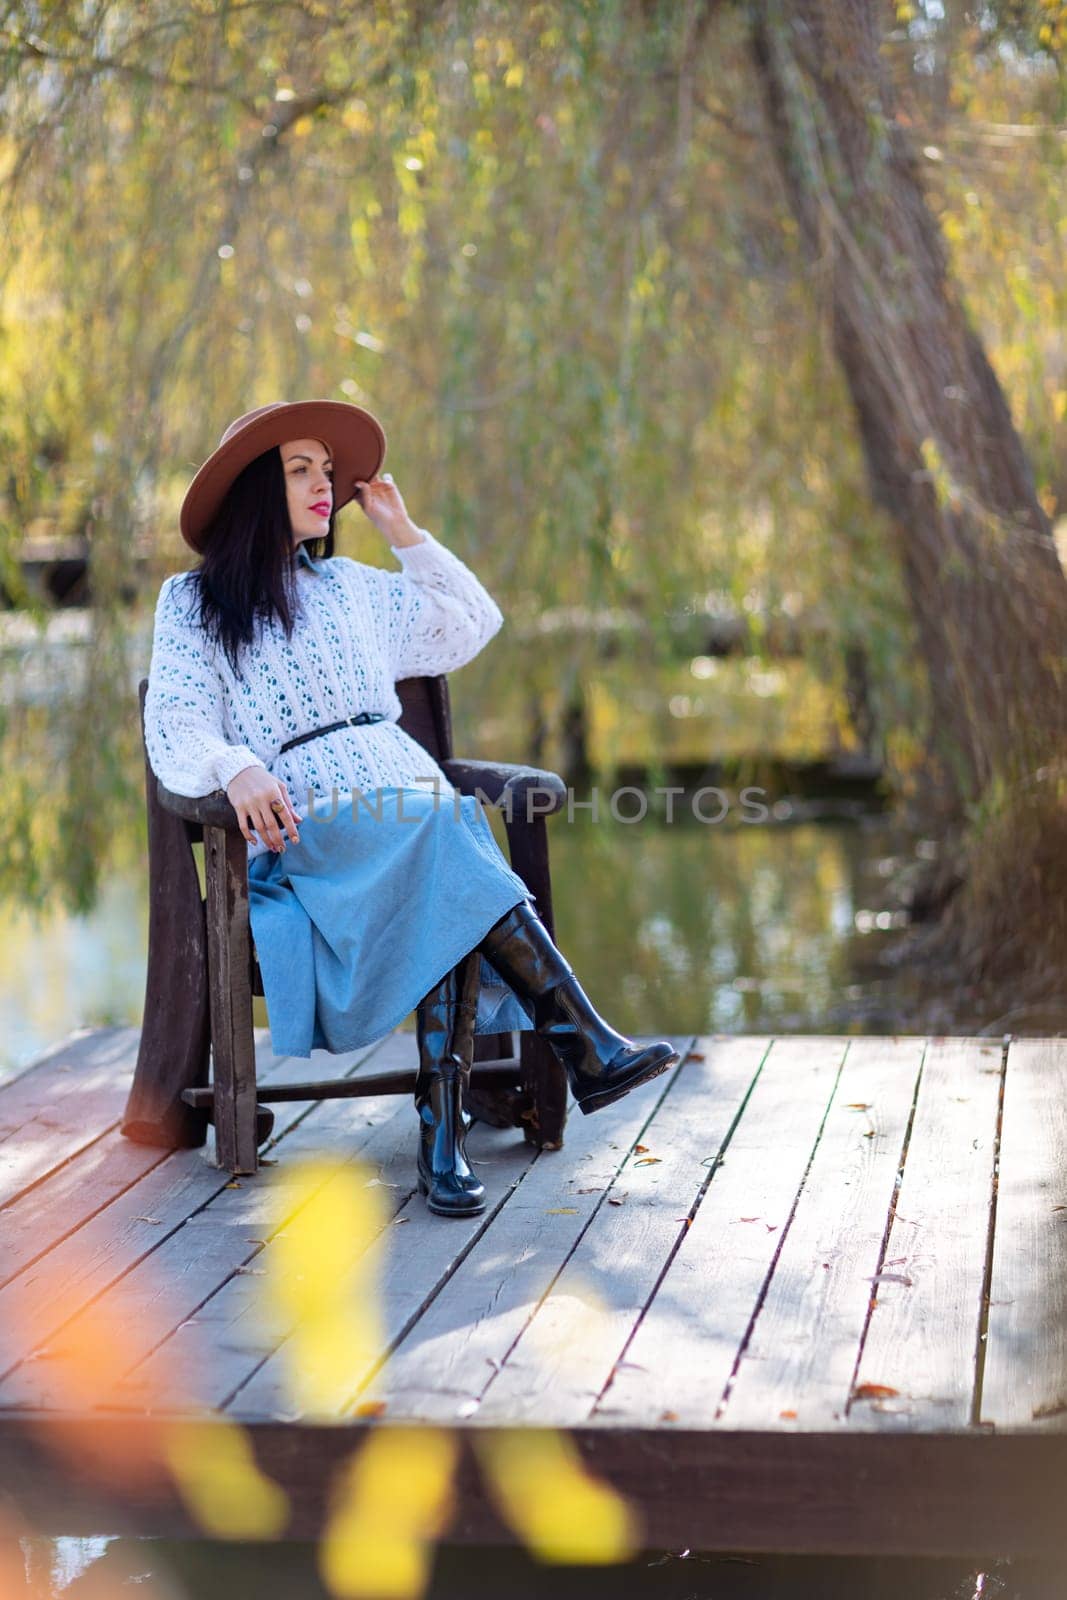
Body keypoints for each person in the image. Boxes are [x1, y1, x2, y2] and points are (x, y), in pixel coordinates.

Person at [143, 400, 678, 1218]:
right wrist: (237, 765)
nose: (323, 486)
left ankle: (443, 1140)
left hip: (408, 805)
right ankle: (580, 1044)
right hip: (307, 824)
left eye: (328, 472)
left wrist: (403, 531)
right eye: (300, 471)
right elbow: (176, 722)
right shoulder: (193, 602)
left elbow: (471, 623)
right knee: (448, 828)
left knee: (440, 835)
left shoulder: (354, 587)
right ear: (256, 488)